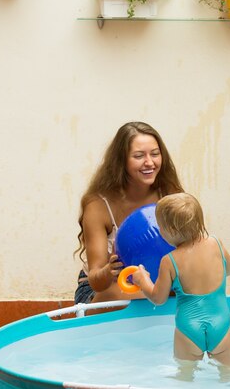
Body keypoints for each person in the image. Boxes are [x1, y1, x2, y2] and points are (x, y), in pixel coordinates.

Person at [74, 121, 184, 304]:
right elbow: (96, 281)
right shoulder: (98, 205)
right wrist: (108, 270)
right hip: (104, 290)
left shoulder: (169, 195)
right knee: (136, 297)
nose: (150, 162)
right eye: (139, 156)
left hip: (159, 285)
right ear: (121, 162)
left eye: (155, 154)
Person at [131, 192, 230, 371]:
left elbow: (158, 298)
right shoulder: (216, 243)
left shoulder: (170, 260)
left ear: (169, 231)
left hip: (189, 329)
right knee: (229, 374)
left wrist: (142, 280)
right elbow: (229, 270)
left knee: (184, 378)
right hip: (221, 325)